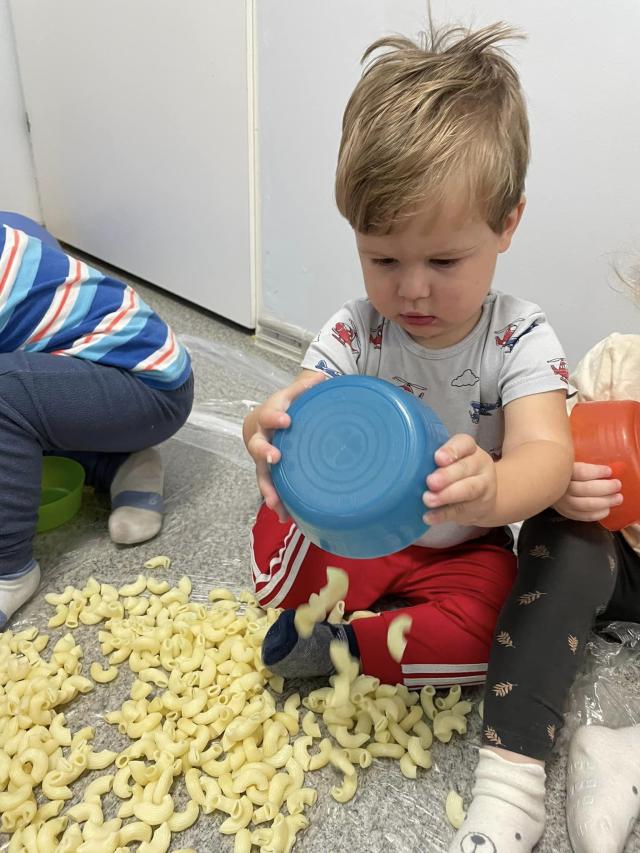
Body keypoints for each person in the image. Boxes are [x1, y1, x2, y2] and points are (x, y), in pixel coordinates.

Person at [243, 22, 573, 852]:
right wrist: (263, 429)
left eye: (445, 262)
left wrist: (494, 489)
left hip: (462, 542)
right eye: (383, 260)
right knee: (276, 531)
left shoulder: (518, 336)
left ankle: (347, 643)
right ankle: (335, 606)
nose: (412, 290)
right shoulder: (357, 328)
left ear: (508, 223)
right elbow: (299, 407)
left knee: (499, 630)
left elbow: (549, 454)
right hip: (355, 537)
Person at [0, 212, 194, 629]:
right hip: (110, 376)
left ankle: (10, 571)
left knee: (4, 396)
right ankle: (116, 463)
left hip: (148, 387)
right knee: (17, 395)